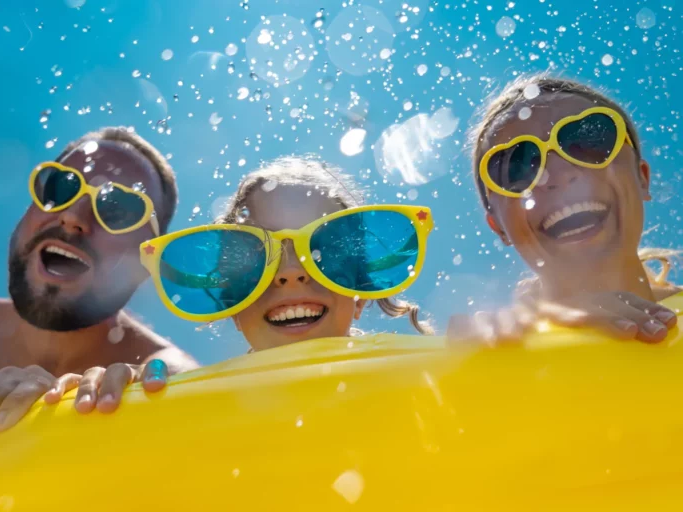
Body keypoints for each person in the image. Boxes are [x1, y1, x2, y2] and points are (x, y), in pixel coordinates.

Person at [0, 127, 198, 474]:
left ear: (147, 262)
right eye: (59, 188)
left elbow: (184, 385)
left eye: (118, 209)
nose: (73, 216)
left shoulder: (154, 366)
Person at [449, 73, 680, 344]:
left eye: (589, 141)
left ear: (641, 178)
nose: (557, 174)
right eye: (517, 167)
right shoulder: (497, 350)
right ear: (499, 227)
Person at [138, 155, 433, 352]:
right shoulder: (200, 414)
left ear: (359, 294)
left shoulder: (421, 385)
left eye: (324, 252)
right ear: (234, 307)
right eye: (255, 258)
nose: (291, 272)